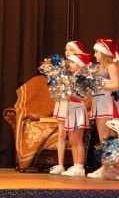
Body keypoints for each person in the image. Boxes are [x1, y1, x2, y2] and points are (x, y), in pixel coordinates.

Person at [87, 39, 119, 179]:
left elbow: (116, 86)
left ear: (103, 52)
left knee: (107, 138)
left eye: (96, 52)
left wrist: (98, 84)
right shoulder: (96, 69)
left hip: (107, 104)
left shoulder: (111, 66)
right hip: (98, 104)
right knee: (103, 138)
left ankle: (107, 168)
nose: (94, 54)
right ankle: (105, 167)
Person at [49, 41, 85, 175]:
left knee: (72, 136)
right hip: (62, 102)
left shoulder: (79, 70)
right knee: (61, 134)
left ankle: (77, 165)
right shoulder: (63, 69)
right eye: (66, 50)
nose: (67, 52)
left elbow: (83, 94)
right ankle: (60, 164)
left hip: (73, 104)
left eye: (71, 50)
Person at [59, 53, 91, 176]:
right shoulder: (71, 77)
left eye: (72, 62)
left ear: (79, 64)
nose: (70, 64)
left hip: (78, 109)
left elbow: (83, 96)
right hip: (71, 109)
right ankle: (75, 164)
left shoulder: (83, 78)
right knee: (72, 140)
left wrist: (68, 92)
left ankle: (80, 167)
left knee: (78, 139)